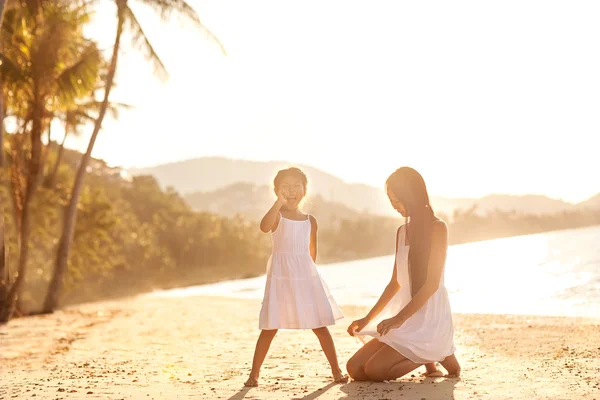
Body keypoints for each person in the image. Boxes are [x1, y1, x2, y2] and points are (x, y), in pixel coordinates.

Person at [346, 167, 461, 382]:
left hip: (428, 316)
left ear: (412, 196)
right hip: (406, 317)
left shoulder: (438, 228)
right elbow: (394, 284)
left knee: (375, 371)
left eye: (397, 200)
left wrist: (398, 319)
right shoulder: (401, 232)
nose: (394, 206)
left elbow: (432, 284)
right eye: (390, 200)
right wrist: (366, 319)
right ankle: (431, 354)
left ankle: (435, 352)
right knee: (355, 368)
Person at [244, 167, 347, 387]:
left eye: (296, 186)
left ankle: (336, 370)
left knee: (320, 325)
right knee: (270, 327)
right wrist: (277, 203)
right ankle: (254, 374)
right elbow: (264, 227)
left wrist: (309, 279)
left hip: (305, 277)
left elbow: (312, 252)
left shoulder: (310, 220)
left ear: (305, 190)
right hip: (281, 278)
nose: (291, 191)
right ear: (277, 191)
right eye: (285, 187)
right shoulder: (277, 216)